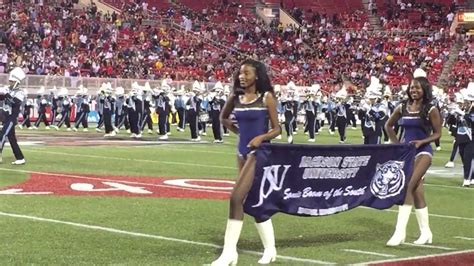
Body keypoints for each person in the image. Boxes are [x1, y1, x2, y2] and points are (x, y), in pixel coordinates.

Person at [211, 59, 281, 266]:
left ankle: (229, 253)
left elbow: (277, 129)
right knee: (253, 200)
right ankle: (270, 249)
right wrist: (238, 132)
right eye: (241, 73)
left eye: (247, 73)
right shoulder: (236, 96)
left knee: (236, 198)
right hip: (241, 153)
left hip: (258, 154)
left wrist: (261, 138)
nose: (242, 76)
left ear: (257, 75)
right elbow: (223, 118)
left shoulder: (266, 97)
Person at [384, 76, 442, 246]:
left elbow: (438, 133)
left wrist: (422, 142)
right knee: (417, 191)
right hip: (407, 153)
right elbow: (388, 125)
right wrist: (397, 144)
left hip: (424, 152)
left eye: (417, 88)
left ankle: (399, 232)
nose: (414, 91)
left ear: (425, 89)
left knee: (408, 185)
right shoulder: (402, 107)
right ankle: (426, 232)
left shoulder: (431, 109)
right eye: (411, 88)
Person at [0, 67, 27, 165]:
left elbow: (15, 102)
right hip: (5, 117)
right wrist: (4, 94)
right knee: (12, 139)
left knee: (2, 135)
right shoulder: (7, 89)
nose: (10, 83)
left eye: (12, 81)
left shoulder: (20, 92)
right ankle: (20, 158)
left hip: (11, 118)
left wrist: (7, 94)